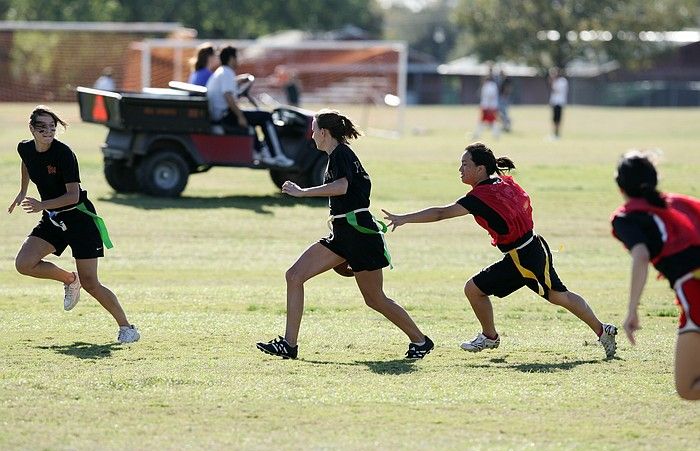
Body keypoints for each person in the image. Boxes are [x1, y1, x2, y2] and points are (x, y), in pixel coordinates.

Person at [382, 142, 617, 358]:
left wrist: (405, 218)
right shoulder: (502, 182)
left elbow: (442, 213)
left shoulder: (479, 196)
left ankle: (601, 330)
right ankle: (489, 337)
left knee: (558, 296)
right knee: (475, 290)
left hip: (526, 255)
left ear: (481, 169)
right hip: (523, 252)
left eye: (465, 164)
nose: (460, 169)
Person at [256, 109, 434, 360]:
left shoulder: (341, 154)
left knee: (375, 299)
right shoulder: (337, 155)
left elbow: (342, 187)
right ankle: (289, 345)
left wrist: (302, 192)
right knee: (294, 275)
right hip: (343, 234)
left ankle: (421, 341)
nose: (312, 134)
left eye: (314, 129)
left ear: (325, 133)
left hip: (359, 235)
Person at [7, 106, 139, 344]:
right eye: (42, 127)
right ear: (32, 129)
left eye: (52, 127)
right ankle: (69, 279)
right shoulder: (24, 147)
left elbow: (73, 196)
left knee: (91, 283)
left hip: (79, 220)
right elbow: (27, 162)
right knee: (24, 264)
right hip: (54, 219)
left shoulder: (64, 154)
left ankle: (127, 327)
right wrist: (23, 191)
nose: (48, 131)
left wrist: (41, 204)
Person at [611, 151, 700, 400]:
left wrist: (631, 310)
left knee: (688, 387)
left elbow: (640, 256)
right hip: (691, 292)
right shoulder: (679, 203)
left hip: (695, 290)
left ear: (621, 187)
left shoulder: (626, 217)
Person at [206, 45, 293, 167]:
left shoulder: (221, 72)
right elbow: (228, 96)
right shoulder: (227, 72)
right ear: (231, 58)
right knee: (266, 116)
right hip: (225, 116)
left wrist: (239, 80)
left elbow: (228, 88)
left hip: (221, 115)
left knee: (254, 117)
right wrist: (240, 116)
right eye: (237, 57)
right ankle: (277, 155)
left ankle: (261, 152)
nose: (238, 60)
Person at [472, 73, 500, 139]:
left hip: (488, 107)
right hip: (489, 106)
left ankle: (495, 134)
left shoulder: (489, 85)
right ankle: (495, 135)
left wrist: (489, 107)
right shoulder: (492, 85)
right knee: (490, 121)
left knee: (491, 121)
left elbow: (490, 96)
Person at [548, 67, 568, 139]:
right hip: (554, 103)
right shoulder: (556, 81)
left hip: (559, 103)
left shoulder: (562, 81)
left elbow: (557, 90)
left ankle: (557, 134)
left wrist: (552, 81)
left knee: (558, 120)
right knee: (554, 119)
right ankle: (554, 133)